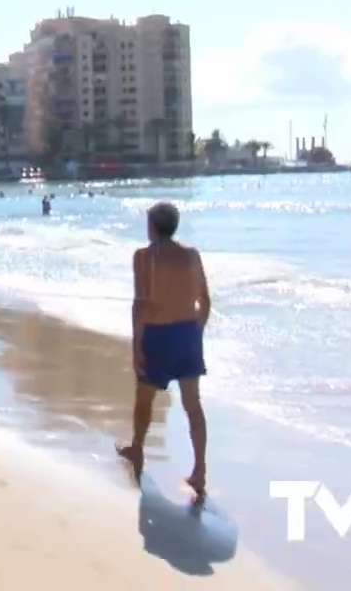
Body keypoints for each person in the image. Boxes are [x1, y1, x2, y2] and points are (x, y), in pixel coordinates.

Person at [116, 202, 211, 497]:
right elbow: (204, 301)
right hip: (187, 334)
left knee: (144, 399)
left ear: (153, 226)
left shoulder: (144, 257)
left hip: (157, 335)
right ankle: (199, 471)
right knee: (192, 406)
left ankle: (137, 449)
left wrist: (136, 348)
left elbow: (140, 304)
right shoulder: (191, 256)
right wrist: (197, 333)